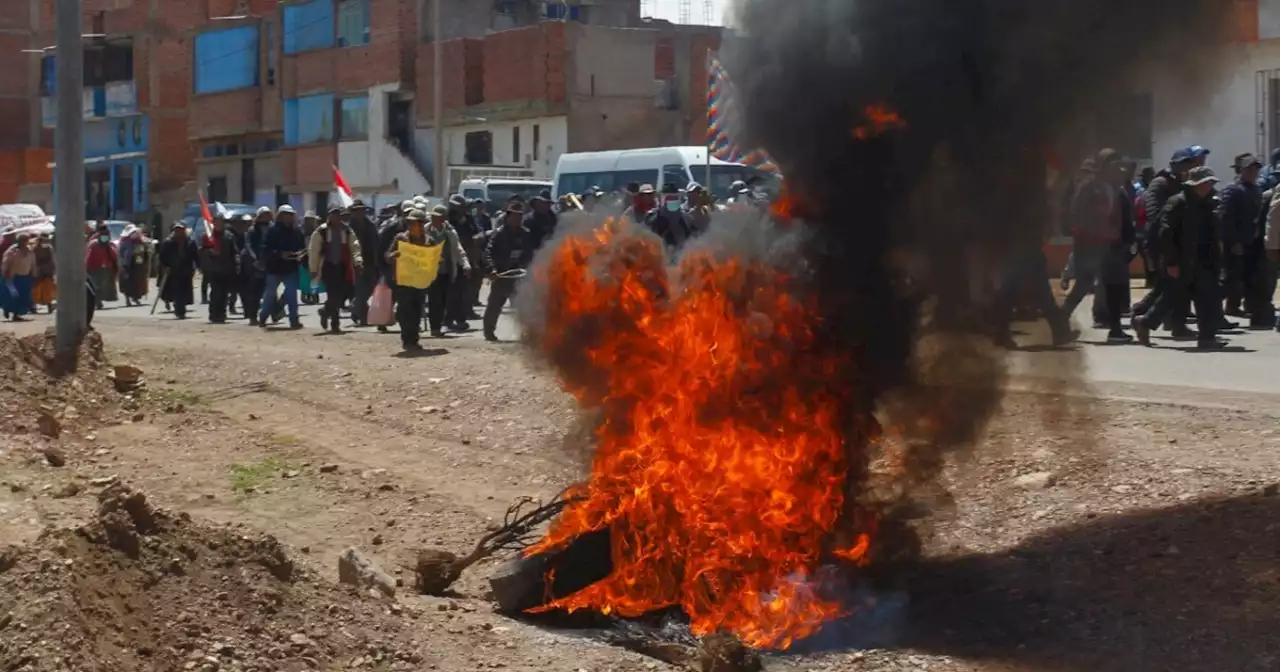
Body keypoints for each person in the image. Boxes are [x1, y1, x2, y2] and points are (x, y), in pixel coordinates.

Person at [1133, 167, 1228, 349]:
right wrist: (1171, 262)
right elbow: (1165, 234)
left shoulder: (1208, 204)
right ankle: (1144, 322)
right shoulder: (1177, 203)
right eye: (1206, 183)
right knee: (1171, 297)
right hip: (1183, 261)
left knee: (1206, 298)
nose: (1210, 186)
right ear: (1196, 185)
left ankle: (1207, 337)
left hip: (1204, 261)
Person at [1060, 152, 1133, 343]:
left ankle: (1116, 330)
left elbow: (1119, 215)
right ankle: (1059, 321)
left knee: (1113, 286)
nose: (1119, 168)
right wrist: (1093, 233)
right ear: (1104, 166)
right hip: (1090, 245)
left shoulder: (1116, 187)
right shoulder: (1089, 187)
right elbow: (1077, 214)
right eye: (1115, 164)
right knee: (1083, 285)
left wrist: (1119, 234)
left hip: (1110, 245)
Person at [1132, 148, 1198, 339]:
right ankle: (1148, 318)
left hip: (1178, 242)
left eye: (1188, 164)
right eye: (1183, 164)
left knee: (1169, 286)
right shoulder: (1160, 184)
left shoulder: (1183, 184)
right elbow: (1154, 215)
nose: (1186, 168)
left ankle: (1167, 321)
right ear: (1173, 165)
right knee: (1173, 285)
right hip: (1162, 242)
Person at [1216, 154, 1264, 320]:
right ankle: (1214, 308)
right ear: (1242, 170)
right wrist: (1233, 241)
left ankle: (1234, 306)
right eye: (1250, 169)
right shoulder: (1233, 189)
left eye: (1256, 170)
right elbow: (1225, 217)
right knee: (1231, 278)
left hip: (1252, 241)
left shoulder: (1256, 189)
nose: (1254, 173)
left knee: (1246, 277)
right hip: (1235, 242)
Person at [483, 201, 535, 342]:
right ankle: (489, 332)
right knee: (494, 304)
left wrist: (528, 268)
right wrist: (492, 269)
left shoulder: (526, 234)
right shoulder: (499, 234)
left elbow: (530, 254)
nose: (517, 219)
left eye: (520, 216)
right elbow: (488, 252)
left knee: (525, 306)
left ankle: (528, 333)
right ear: (508, 216)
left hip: (519, 276)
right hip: (502, 275)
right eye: (514, 216)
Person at [308, 205, 362, 334]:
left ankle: (325, 312)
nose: (336, 217)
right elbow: (314, 250)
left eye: (338, 215)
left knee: (340, 295)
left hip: (343, 267)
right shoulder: (321, 231)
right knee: (333, 294)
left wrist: (358, 261)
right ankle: (335, 324)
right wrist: (313, 268)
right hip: (327, 267)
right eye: (334, 214)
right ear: (329, 216)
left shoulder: (347, 231)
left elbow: (355, 247)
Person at [423, 204, 470, 338]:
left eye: (436, 217)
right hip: (429, 272)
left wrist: (465, 265)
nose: (433, 219)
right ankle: (435, 328)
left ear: (443, 219)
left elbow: (458, 250)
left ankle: (438, 325)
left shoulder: (450, 233)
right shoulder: (425, 231)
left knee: (443, 300)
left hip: (446, 272)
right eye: (432, 216)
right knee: (434, 300)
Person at [387, 209, 430, 350]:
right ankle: (406, 339)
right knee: (405, 310)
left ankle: (414, 339)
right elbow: (387, 256)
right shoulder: (401, 239)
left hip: (420, 280)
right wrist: (395, 255)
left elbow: (436, 257)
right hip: (403, 280)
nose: (414, 226)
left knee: (417, 310)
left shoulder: (428, 241)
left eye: (417, 224)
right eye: (411, 223)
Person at [259, 204, 305, 329]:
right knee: (270, 294)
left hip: (291, 267)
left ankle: (294, 320)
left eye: (291, 215)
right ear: (280, 216)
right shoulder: (272, 230)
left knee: (291, 294)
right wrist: (280, 254)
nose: (289, 217)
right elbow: (266, 249)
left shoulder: (296, 231)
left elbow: (302, 246)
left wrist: (300, 254)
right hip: (274, 268)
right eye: (287, 214)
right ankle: (263, 316)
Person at [445, 194, 481, 331]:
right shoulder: (448, 221)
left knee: (464, 291)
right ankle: (448, 320)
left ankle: (461, 318)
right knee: (451, 292)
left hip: (467, 258)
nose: (466, 209)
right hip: (451, 260)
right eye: (463, 207)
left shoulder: (469, 219)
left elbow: (477, 232)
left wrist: (478, 237)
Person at [199, 213, 239, 324]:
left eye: (220, 222)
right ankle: (213, 314)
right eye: (216, 222)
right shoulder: (208, 236)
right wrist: (210, 252)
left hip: (227, 269)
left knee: (224, 293)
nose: (218, 224)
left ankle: (222, 314)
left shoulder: (229, 236)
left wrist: (236, 260)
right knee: (215, 293)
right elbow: (202, 251)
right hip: (213, 269)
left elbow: (234, 250)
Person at [346, 199, 380, 327]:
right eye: (356, 210)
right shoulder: (349, 228)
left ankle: (355, 307)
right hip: (356, 262)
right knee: (360, 290)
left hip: (371, 262)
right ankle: (364, 318)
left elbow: (377, 243)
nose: (359, 213)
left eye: (361, 210)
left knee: (371, 288)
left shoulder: (370, 225)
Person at [157, 224, 199, 319]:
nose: (178, 232)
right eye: (176, 230)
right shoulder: (168, 242)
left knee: (184, 291)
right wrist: (165, 266)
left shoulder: (190, 242)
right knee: (177, 291)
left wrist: (199, 266)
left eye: (180, 230)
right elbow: (162, 256)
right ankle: (179, 311)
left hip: (186, 271)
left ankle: (182, 308)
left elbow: (195, 255)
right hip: (173, 271)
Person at [241, 208, 273, 326]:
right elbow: (249, 246)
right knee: (255, 292)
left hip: (270, 264)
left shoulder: (272, 229)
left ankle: (272, 314)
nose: (266, 218)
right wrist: (256, 260)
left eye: (268, 215)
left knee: (270, 291)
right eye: (264, 215)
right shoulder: (252, 230)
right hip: (255, 265)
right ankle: (252, 316)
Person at [645, 183, 694, 251]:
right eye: (669, 198)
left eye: (674, 198)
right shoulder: (652, 217)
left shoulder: (686, 218)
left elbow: (691, 241)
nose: (672, 201)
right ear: (661, 199)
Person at [1, 234, 36, 321]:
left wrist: (34, 275)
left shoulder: (30, 251)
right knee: (12, 296)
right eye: (22, 240)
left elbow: (33, 264)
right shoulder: (12, 251)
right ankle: (8, 309)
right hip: (13, 277)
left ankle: (16, 314)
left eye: (26, 240)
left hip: (25, 277)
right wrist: (4, 274)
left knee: (23, 296)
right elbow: (5, 263)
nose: (24, 242)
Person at [85, 223, 119, 309]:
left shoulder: (93, 241)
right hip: (100, 267)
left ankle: (97, 301)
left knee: (97, 285)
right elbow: (113, 254)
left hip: (97, 267)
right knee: (98, 286)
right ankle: (97, 301)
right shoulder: (98, 241)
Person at [117, 225, 150, 307]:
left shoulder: (140, 241)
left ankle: (136, 298)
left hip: (138, 264)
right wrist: (125, 262)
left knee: (137, 282)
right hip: (127, 264)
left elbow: (145, 251)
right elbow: (122, 253)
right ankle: (127, 299)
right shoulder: (124, 242)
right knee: (127, 282)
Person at [31, 234, 56, 314]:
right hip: (42, 272)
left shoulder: (37, 248)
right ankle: (39, 306)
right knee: (40, 290)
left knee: (42, 290)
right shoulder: (38, 249)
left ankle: (37, 307)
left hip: (42, 272)